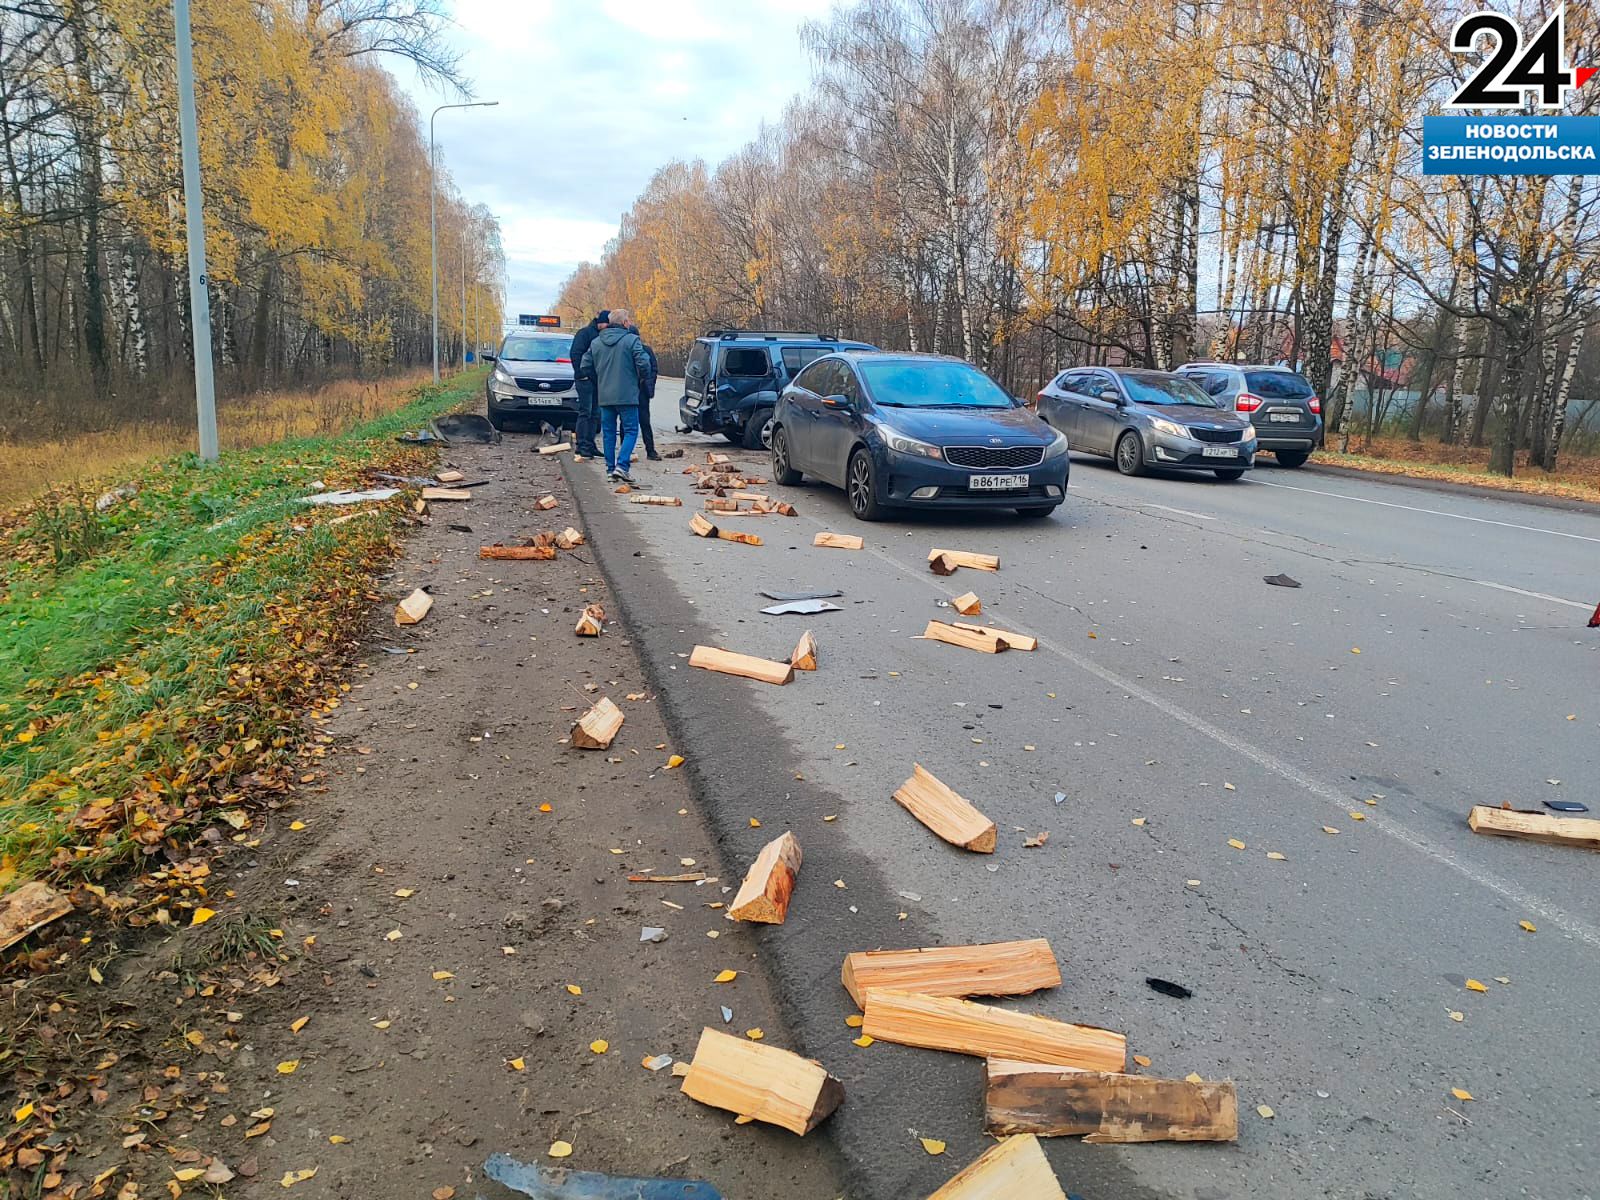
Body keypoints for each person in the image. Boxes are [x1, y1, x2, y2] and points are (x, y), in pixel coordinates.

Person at [579, 307, 651, 482]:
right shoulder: (632, 340)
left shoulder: (596, 342)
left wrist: (599, 380)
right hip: (627, 394)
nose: (630, 323)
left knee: (609, 433)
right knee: (631, 430)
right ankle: (622, 466)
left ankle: (611, 470)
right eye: (629, 320)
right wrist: (640, 379)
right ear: (624, 323)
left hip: (605, 395)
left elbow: (585, 365)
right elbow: (644, 363)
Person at [568, 310, 608, 460]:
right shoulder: (585, 334)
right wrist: (581, 374)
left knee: (595, 413)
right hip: (585, 380)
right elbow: (575, 354)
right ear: (601, 323)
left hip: (597, 380)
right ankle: (581, 445)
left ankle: (590, 445)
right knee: (586, 412)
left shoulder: (600, 335)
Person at [627, 320, 661, 460]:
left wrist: (649, 385)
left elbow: (653, 369)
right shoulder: (626, 350)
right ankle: (628, 451)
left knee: (643, 421)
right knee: (628, 422)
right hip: (629, 390)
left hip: (641, 391)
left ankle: (650, 450)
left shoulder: (646, 350)